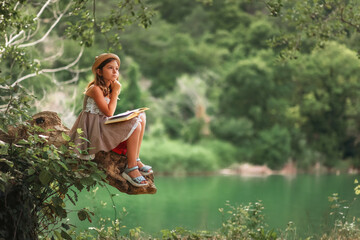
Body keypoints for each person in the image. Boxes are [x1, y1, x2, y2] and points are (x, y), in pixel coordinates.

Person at [69, 53, 152, 187]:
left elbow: (108, 114)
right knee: (135, 124)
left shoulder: (108, 88)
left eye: (117, 68)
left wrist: (113, 91)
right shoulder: (95, 89)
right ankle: (131, 169)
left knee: (141, 116)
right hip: (94, 129)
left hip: (103, 124)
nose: (115, 71)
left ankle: (135, 159)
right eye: (110, 68)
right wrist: (115, 92)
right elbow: (109, 112)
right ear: (99, 72)